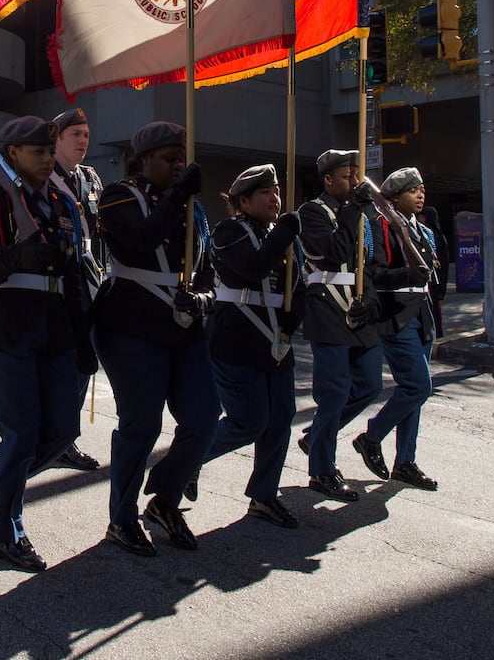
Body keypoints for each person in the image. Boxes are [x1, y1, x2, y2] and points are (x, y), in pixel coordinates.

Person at [91, 121, 218, 556]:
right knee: (142, 426)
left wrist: (203, 296)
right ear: (143, 160)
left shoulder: (192, 207)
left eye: (181, 157)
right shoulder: (119, 196)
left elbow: (207, 266)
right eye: (169, 158)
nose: (178, 164)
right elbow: (140, 241)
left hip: (184, 329)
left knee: (204, 418)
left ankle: (164, 499)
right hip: (131, 325)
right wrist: (180, 192)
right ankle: (122, 517)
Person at [0, 116, 87, 572]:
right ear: (11, 154)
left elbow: (76, 270)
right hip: (10, 327)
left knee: (62, 432)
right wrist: (18, 255)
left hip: (56, 327)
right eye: (36, 151)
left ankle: (2, 480)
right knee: (19, 435)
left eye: (48, 149)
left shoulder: (62, 200)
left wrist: (83, 335)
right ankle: (8, 531)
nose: (45, 157)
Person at [197, 163, 305, 528]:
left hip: (276, 341)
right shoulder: (229, 232)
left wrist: (294, 318)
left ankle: (264, 495)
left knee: (280, 420)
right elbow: (253, 267)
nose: (275, 199)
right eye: (266, 193)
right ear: (243, 201)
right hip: (237, 338)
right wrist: (286, 232)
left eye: (277, 192)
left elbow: (298, 283)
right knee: (248, 421)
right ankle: (185, 460)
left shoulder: (281, 233)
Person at [297, 149, 380, 503]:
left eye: (356, 175)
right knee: (333, 395)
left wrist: (372, 301)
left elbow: (368, 261)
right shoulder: (312, 212)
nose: (355, 182)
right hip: (328, 309)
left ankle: (315, 435)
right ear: (328, 179)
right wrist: (352, 210)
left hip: (359, 310)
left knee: (370, 386)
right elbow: (333, 251)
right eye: (347, 176)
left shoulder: (359, 212)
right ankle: (322, 470)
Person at [352, 167, 440, 491]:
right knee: (418, 386)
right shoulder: (381, 226)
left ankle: (405, 461)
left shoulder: (424, 233)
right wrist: (407, 275)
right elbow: (376, 275)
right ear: (394, 197)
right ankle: (371, 436)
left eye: (422, 189)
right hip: (395, 315)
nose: (420, 195)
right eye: (412, 190)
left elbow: (431, 276)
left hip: (423, 316)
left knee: (413, 392)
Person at [49, 107, 106, 472]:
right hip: (53, 281)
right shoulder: (42, 176)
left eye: (86, 135)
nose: (83, 141)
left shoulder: (90, 178)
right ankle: (51, 434)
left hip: (87, 278)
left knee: (82, 360)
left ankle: (64, 439)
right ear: (56, 138)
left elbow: (100, 235)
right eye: (75, 135)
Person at [418, 206, 449, 337]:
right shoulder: (440, 234)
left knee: (432, 311)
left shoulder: (429, 234)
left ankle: (435, 334)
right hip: (438, 280)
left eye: (421, 216)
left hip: (432, 280)